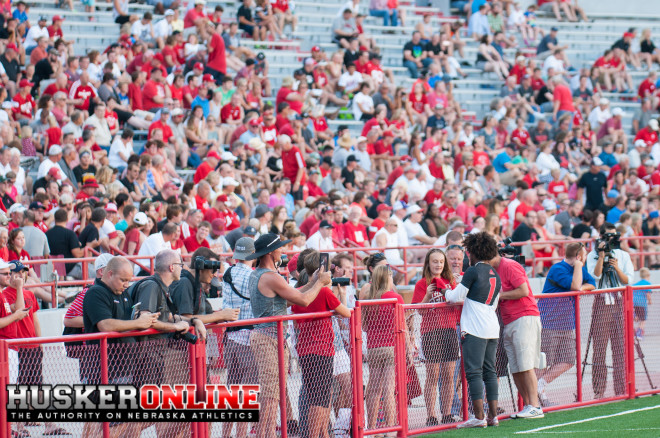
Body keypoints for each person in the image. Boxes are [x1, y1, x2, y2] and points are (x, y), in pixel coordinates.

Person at [246, 233, 331, 438]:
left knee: (273, 394)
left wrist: (314, 282)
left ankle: (268, 434)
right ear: (271, 251)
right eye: (280, 247)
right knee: (270, 395)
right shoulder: (271, 276)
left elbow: (290, 300)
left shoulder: (260, 274)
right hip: (269, 338)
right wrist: (319, 283)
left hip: (271, 337)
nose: (283, 251)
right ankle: (264, 435)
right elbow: (303, 301)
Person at [292, 250, 351, 438]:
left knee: (317, 397)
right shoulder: (323, 291)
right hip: (322, 349)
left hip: (305, 348)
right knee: (320, 399)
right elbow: (346, 312)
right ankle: (315, 434)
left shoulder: (298, 292)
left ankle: (322, 434)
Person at [446, 232, 502, 428]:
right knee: (489, 371)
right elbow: (495, 302)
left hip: (474, 327)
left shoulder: (473, 270)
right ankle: (493, 416)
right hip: (492, 325)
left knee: (474, 372)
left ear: (473, 252)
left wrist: (446, 290)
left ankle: (479, 417)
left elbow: (454, 297)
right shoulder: (495, 273)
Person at [538, 242, 595, 406]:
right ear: (578, 257)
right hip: (549, 321)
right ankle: (533, 396)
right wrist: (578, 266)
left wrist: (581, 284)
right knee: (544, 361)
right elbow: (575, 286)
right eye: (583, 256)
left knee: (569, 359)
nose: (585, 259)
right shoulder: (558, 269)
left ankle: (540, 385)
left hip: (567, 323)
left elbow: (591, 284)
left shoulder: (580, 270)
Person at [490, 250, 543, 419]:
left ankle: (534, 405)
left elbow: (524, 291)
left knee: (525, 365)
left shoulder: (510, 265)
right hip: (510, 319)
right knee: (516, 367)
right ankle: (528, 405)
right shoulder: (497, 269)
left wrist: (499, 296)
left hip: (524, 316)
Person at [411, 248, 461, 425]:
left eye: (441, 261)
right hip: (430, 332)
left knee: (449, 375)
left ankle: (446, 413)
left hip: (448, 329)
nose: (438, 265)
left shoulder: (450, 281)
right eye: (434, 261)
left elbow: (457, 305)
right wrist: (427, 295)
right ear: (428, 263)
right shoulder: (422, 283)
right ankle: (431, 415)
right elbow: (418, 310)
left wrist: (450, 293)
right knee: (433, 375)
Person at [586, 223, 634, 398]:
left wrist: (616, 267)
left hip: (620, 301)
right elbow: (596, 276)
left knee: (621, 348)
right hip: (601, 302)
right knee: (599, 349)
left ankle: (622, 389)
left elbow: (628, 280)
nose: (611, 239)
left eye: (614, 236)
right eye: (607, 236)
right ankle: (599, 391)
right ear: (600, 237)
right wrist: (600, 257)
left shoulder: (623, 255)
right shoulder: (592, 255)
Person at [360, 263, 405, 432]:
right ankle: (390, 427)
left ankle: (371, 428)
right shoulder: (394, 297)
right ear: (388, 278)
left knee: (373, 388)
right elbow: (401, 324)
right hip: (391, 346)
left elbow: (364, 326)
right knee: (388, 388)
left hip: (373, 347)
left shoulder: (369, 299)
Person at [221, 237, 258, 438]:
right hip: (248, 337)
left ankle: (227, 434)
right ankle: (241, 435)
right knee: (247, 391)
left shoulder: (227, 272)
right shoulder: (253, 277)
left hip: (230, 336)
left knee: (232, 390)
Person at [633, 267, 652, 338]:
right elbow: (648, 294)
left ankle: (635, 316)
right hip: (642, 303)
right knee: (643, 319)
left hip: (634, 303)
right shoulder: (648, 283)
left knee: (638, 316)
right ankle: (639, 333)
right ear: (648, 275)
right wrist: (650, 301)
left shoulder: (636, 284)